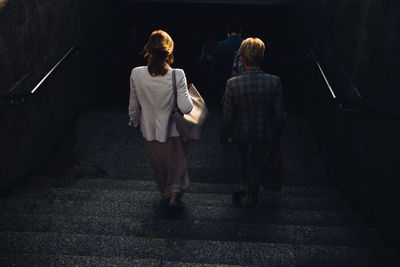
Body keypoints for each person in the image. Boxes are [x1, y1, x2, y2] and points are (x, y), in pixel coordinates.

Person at [128, 30, 193, 209]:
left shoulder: (136, 73)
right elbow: (186, 107)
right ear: (169, 51)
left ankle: (165, 193)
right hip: (172, 131)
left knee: (159, 167)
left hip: (149, 131)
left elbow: (133, 106)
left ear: (148, 49)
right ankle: (175, 195)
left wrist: (134, 121)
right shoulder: (177, 74)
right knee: (177, 165)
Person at [220, 37, 286, 208]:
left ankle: (242, 182)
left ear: (242, 58)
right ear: (262, 57)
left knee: (241, 155)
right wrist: (276, 138)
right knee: (256, 162)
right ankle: (252, 195)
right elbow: (280, 116)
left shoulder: (233, 84)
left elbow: (227, 116)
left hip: (239, 131)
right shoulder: (274, 81)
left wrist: (224, 138)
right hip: (263, 131)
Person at [211, 19, 243, 106]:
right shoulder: (245, 44)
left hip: (224, 82)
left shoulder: (221, 45)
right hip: (242, 82)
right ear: (240, 31)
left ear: (227, 31)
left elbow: (215, 67)